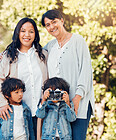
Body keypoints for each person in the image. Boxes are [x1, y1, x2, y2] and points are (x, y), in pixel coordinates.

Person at [41, 10, 95, 140]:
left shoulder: (77, 40)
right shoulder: (50, 46)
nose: (52, 27)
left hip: (79, 103)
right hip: (58, 106)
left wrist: (76, 98)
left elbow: (86, 71)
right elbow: (32, 53)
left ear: (62, 21)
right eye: (47, 24)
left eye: (54, 22)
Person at [0, 17, 48, 139]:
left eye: (31, 31)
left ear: (35, 34)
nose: (27, 35)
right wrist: (2, 104)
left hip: (41, 112)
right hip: (19, 114)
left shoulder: (43, 54)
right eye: (23, 31)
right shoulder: (8, 56)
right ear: (17, 33)